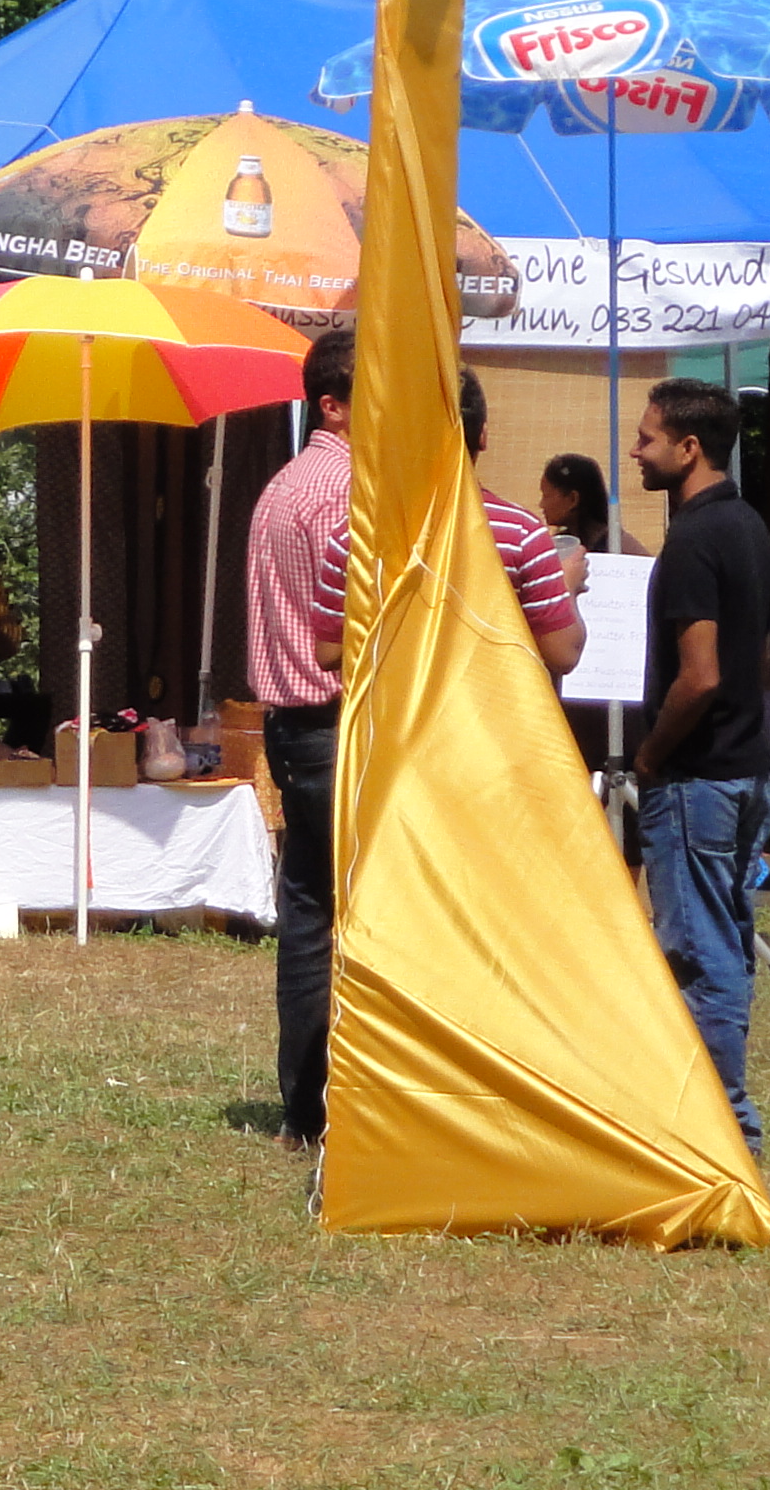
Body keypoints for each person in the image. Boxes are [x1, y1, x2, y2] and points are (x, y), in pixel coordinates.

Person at [630, 376, 770, 1149]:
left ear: (690, 448)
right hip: (745, 769)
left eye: (648, 438)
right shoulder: (748, 525)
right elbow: (753, 654)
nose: (635, 451)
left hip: (699, 778)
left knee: (700, 953)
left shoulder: (694, 538)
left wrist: (652, 755)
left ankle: (723, 1128)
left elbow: (701, 674)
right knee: (726, 943)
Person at [242, 326, 354, 1151]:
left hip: (292, 724)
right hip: (335, 721)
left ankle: (304, 1112)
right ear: (333, 405)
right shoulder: (347, 491)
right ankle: (347, 1105)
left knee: (309, 916)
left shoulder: (284, 484)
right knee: (363, 911)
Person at [314, 370, 587, 685]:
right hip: (488, 710)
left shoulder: (356, 534)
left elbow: (329, 652)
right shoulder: (522, 534)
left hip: (396, 711)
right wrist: (567, 585)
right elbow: (563, 654)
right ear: (483, 436)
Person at [536, 453, 640, 602]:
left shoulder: (620, 548)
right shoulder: (559, 545)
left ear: (573, 499)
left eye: (546, 496)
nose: (541, 505)